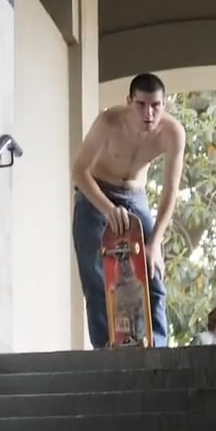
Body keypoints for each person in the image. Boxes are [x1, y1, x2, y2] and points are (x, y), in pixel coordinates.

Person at [71, 72, 185, 347]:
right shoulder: (108, 122)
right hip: (95, 194)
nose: (148, 114)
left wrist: (155, 242)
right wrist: (108, 210)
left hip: (135, 196)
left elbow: (170, 191)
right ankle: (105, 348)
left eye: (156, 106)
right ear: (129, 102)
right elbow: (79, 172)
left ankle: (158, 345)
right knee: (96, 277)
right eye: (141, 105)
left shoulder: (173, 133)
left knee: (152, 269)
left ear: (164, 104)